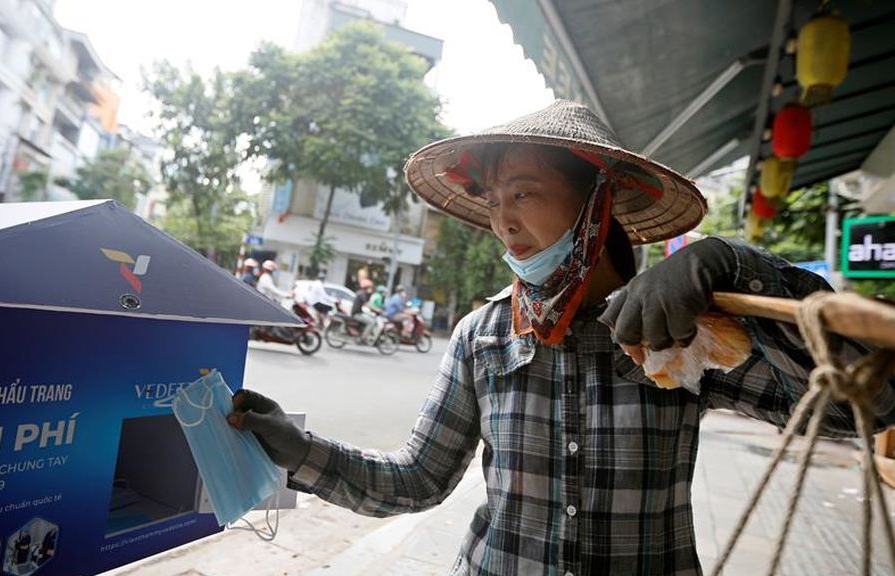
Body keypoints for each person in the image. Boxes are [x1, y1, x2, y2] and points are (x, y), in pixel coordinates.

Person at [226, 100, 895, 575]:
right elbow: (418, 481)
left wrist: (737, 266)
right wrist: (299, 451)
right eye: (493, 199)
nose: (503, 220)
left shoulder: (680, 332)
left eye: (523, 193)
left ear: (596, 203)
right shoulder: (481, 337)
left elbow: (858, 407)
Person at [349, 278, 377, 343]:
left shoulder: (362, 293)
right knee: (371, 322)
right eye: (370, 287)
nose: (371, 289)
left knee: (370, 317)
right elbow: (367, 304)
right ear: (366, 287)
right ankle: (363, 338)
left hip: (359, 312)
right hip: (356, 314)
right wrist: (376, 309)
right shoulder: (362, 294)